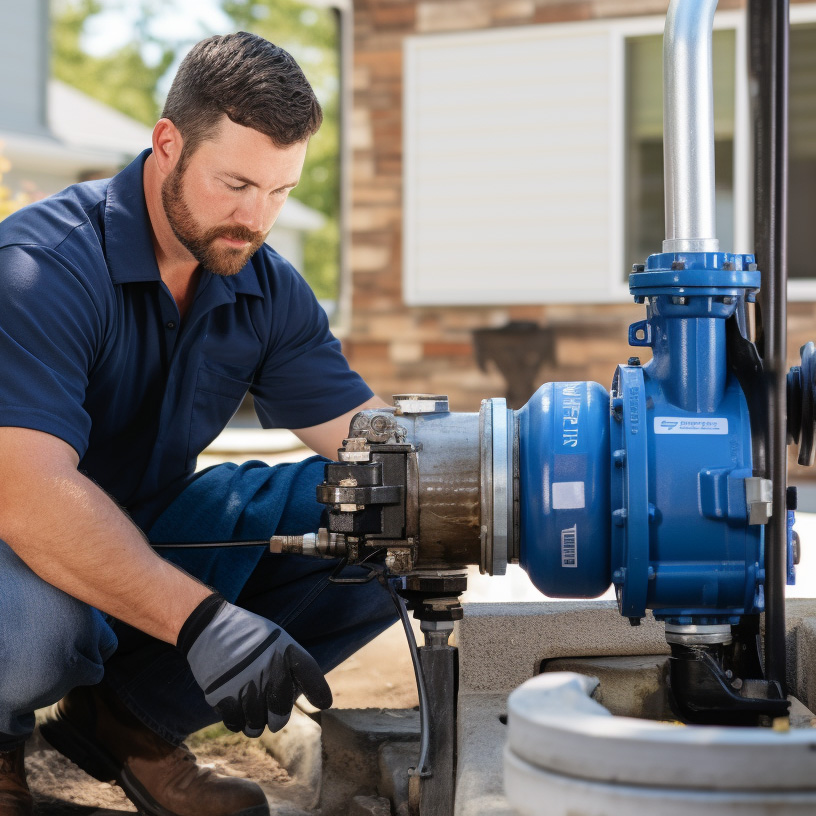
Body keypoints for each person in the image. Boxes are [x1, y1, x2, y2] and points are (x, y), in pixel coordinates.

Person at [0, 32, 397, 816]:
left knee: (391, 507)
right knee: (42, 630)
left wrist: (501, 470)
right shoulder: (39, 267)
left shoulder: (261, 285)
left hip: (140, 529)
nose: (256, 219)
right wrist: (203, 621)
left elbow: (371, 438)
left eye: (280, 191)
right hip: (17, 538)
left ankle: (129, 725)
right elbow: (26, 494)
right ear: (168, 143)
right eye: (237, 183)